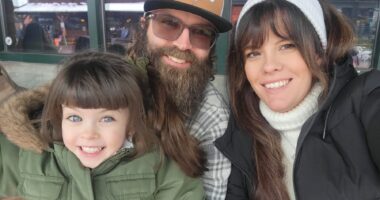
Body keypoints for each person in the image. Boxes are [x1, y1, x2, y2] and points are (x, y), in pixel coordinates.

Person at [215, 0, 380, 199]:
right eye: (254, 53)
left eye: (286, 46)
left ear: (319, 52)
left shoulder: (365, 101)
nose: (269, 66)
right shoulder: (243, 134)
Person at [0, 51, 205, 199]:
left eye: (107, 119)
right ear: (59, 115)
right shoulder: (28, 154)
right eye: (75, 118)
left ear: (132, 123)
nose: (89, 134)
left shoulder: (159, 164)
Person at [127, 0, 232, 199]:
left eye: (201, 32)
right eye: (168, 23)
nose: (183, 44)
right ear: (143, 26)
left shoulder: (212, 116)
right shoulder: (100, 85)